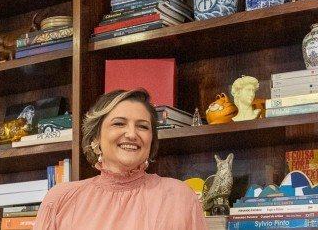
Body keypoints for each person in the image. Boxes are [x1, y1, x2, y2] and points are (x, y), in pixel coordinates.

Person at [35, 89, 208, 230]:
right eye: (119, 123)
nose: (132, 134)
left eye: (142, 126)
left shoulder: (180, 197)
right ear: (96, 137)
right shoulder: (59, 200)